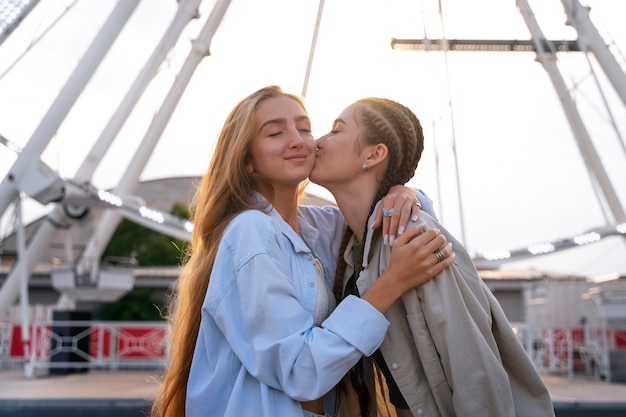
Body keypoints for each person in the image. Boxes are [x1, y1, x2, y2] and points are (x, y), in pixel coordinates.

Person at [149, 86, 454, 417]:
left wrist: (404, 192)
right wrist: (392, 282)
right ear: (247, 161)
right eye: (276, 133)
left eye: (305, 128)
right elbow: (300, 371)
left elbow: (387, 221)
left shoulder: (319, 229)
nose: (298, 140)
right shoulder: (250, 232)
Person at [310, 97, 555, 417]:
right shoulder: (354, 247)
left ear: (373, 154)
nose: (317, 142)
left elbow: (474, 369)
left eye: (335, 131)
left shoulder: (415, 238)